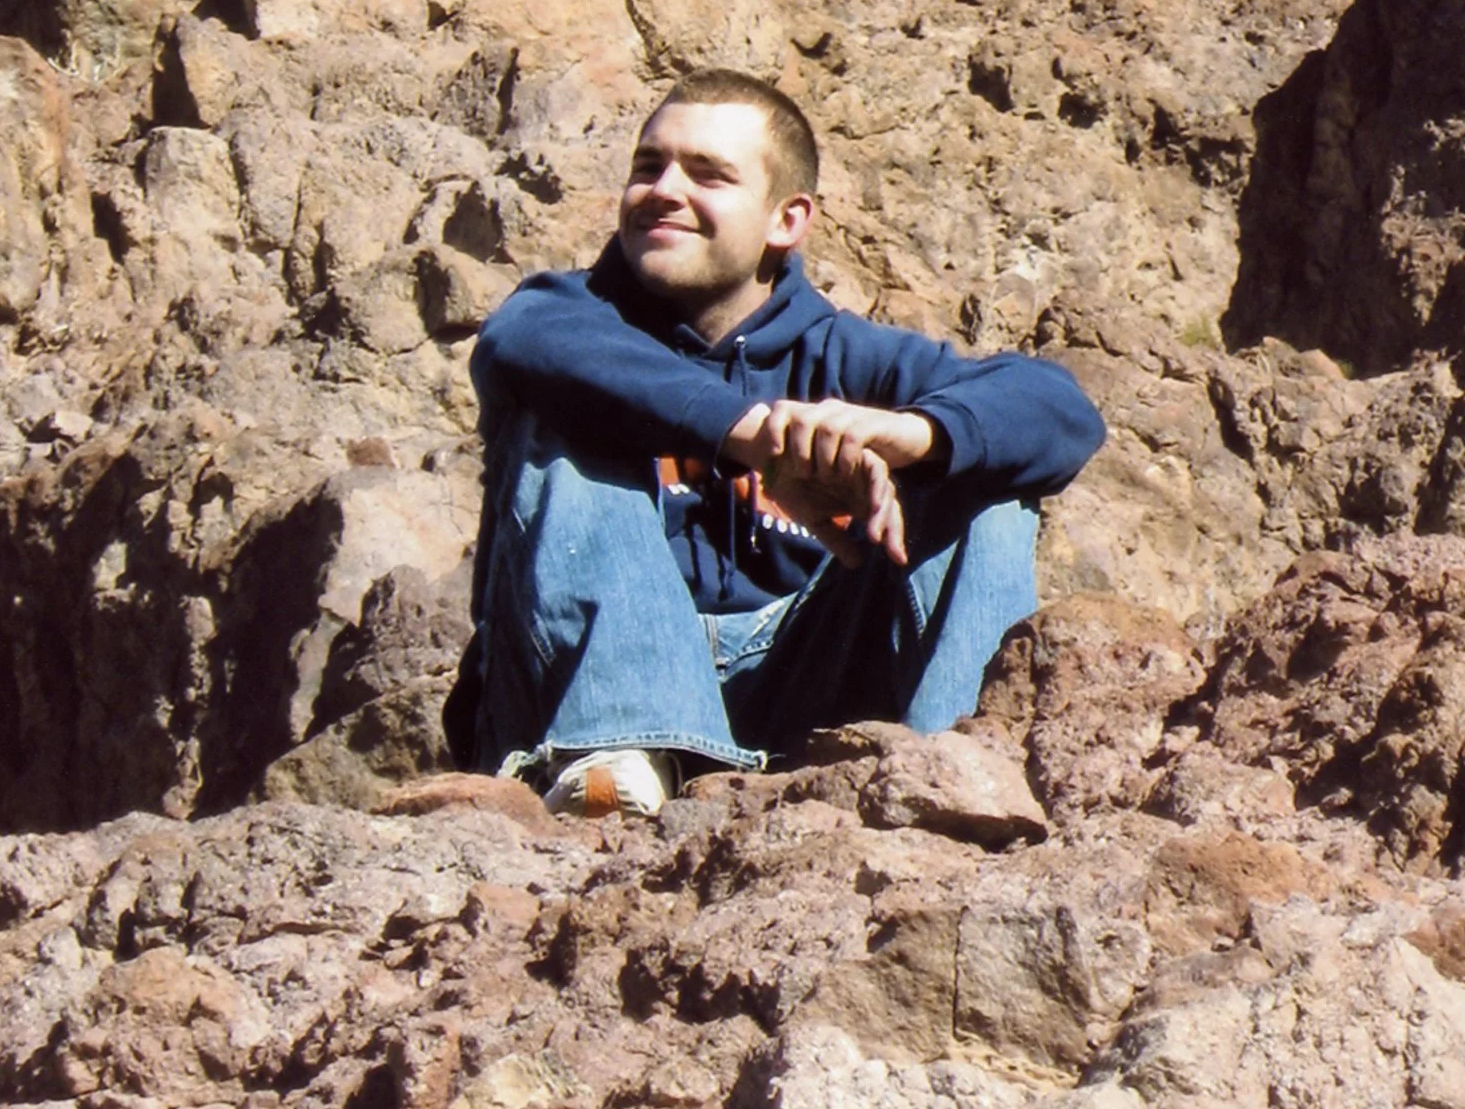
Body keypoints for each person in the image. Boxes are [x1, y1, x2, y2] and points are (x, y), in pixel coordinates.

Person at [445, 67, 1106, 816]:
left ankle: (955, 771)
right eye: (647, 166)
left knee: (976, 468)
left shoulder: (845, 360)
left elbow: (1059, 410)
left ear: (786, 220)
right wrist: (758, 437)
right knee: (560, 420)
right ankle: (621, 753)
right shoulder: (561, 316)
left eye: (708, 175)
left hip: (802, 690)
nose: (663, 189)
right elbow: (524, 344)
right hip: (577, 715)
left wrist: (911, 434)